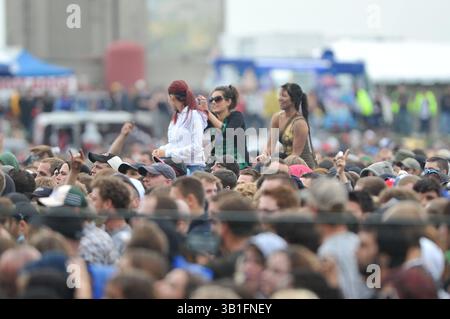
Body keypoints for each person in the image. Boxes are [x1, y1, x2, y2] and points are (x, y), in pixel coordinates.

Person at [152, 80, 207, 175]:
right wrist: (161, 150)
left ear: (172, 97)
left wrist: (167, 153)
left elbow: (196, 147)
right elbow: (174, 144)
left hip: (193, 167)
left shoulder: (194, 116)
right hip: (178, 166)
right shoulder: (176, 117)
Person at [256, 83, 316, 169]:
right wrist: (264, 156)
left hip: (301, 165)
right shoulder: (276, 118)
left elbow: (295, 156)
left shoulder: (300, 123)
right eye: (279, 95)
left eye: (283, 96)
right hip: (285, 160)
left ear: (293, 99)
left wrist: (276, 164)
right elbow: (269, 147)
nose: (279, 99)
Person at [198, 85, 250, 170]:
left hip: (238, 164)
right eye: (211, 100)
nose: (213, 102)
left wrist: (207, 112)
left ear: (228, 102)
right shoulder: (209, 119)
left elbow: (227, 133)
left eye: (218, 99)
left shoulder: (237, 116)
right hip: (215, 163)